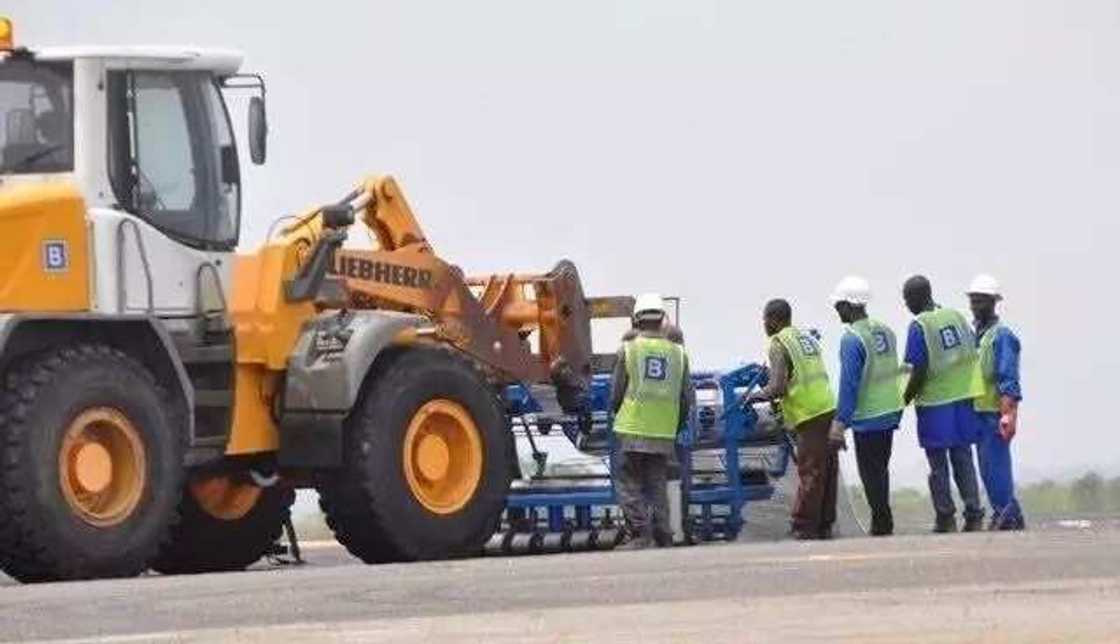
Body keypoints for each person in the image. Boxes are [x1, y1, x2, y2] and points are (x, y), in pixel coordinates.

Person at [745, 299, 839, 540]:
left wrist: (756, 395)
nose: (764, 325)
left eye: (765, 320)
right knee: (826, 470)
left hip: (809, 413)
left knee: (810, 471)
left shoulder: (778, 343)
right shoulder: (804, 337)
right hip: (827, 406)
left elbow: (777, 386)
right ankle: (824, 525)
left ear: (774, 320)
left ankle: (804, 527)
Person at [901, 275, 985, 533]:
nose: (906, 305)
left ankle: (945, 517)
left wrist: (904, 398)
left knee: (938, 465)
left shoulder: (919, 326)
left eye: (906, 299)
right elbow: (973, 347)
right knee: (963, 458)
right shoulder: (956, 317)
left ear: (917, 297)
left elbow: (917, 368)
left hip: (936, 403)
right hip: (964, 398)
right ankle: (974, 514)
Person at [610, 293, 692, 549]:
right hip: (663, 431)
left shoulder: (629, 349)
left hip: (633, 427)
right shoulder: (679, 353)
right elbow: (686, 397)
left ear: (637, 319)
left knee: (627, 481)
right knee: (657, 482)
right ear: (662, 319)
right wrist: (675, 426)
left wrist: (617, 413)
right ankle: (663, 534)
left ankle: (640, 533)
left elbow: (616, 392)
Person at [830, 276, 904, 536]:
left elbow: (849, 384)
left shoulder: (851, 339)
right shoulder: (886, 331)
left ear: (850, 306)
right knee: (880, 469)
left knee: (870, 472)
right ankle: (883, 520)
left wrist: (840, 423)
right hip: (890, 410)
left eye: (839, 305)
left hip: (869, 416)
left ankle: (882, 523)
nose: (837, 311)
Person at [967, 274, 1025, 530]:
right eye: (973, 301)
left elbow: (1008, 378)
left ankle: (1007, 514)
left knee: (997, 467)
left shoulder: (1002, 336)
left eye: (981, 301)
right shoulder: (976, 336)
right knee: (987, 469)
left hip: (994, 411)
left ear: (993, 302)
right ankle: (1005, 511)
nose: (975, 306)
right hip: (977, 412)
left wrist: (1008, 414)